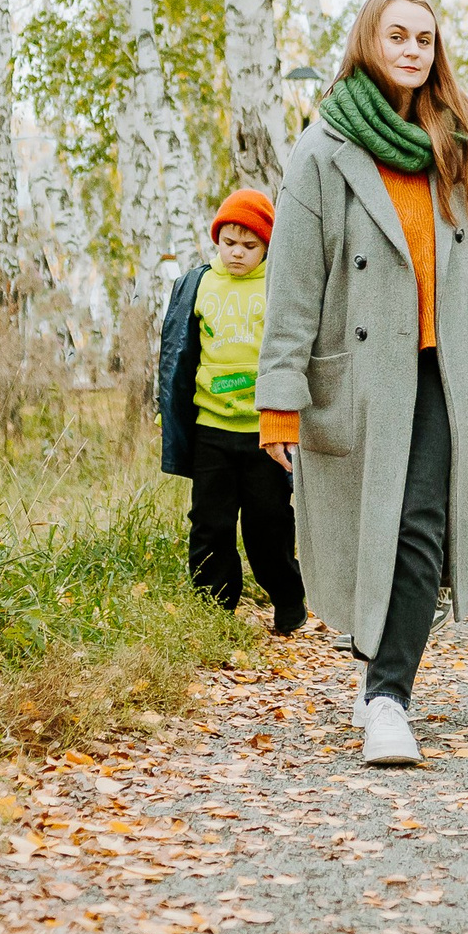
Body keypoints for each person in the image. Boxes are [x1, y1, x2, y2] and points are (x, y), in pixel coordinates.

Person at [256, 0, 468, 766]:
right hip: (357, 373)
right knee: (365, 534)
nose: (414, 49)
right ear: (368, 42)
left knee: (422, 526)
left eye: (425, 38)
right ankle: (374, 664)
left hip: (444, 371)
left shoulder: (453, 143)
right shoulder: (322, 149)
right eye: (399, 36)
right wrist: (279, 400)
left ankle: (389, 697)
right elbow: (292, 284)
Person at [158, 190, 306, 635]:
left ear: (267, 247)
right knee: (210, 524)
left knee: (269, 524)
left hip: (263, 434)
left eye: (249, 245)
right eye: (229, 242)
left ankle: (287, 598)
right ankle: (214, 610)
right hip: (211, 430)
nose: (237, 253)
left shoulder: (277, 287)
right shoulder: (199, 285)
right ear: (216, 241)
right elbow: (179, 355)